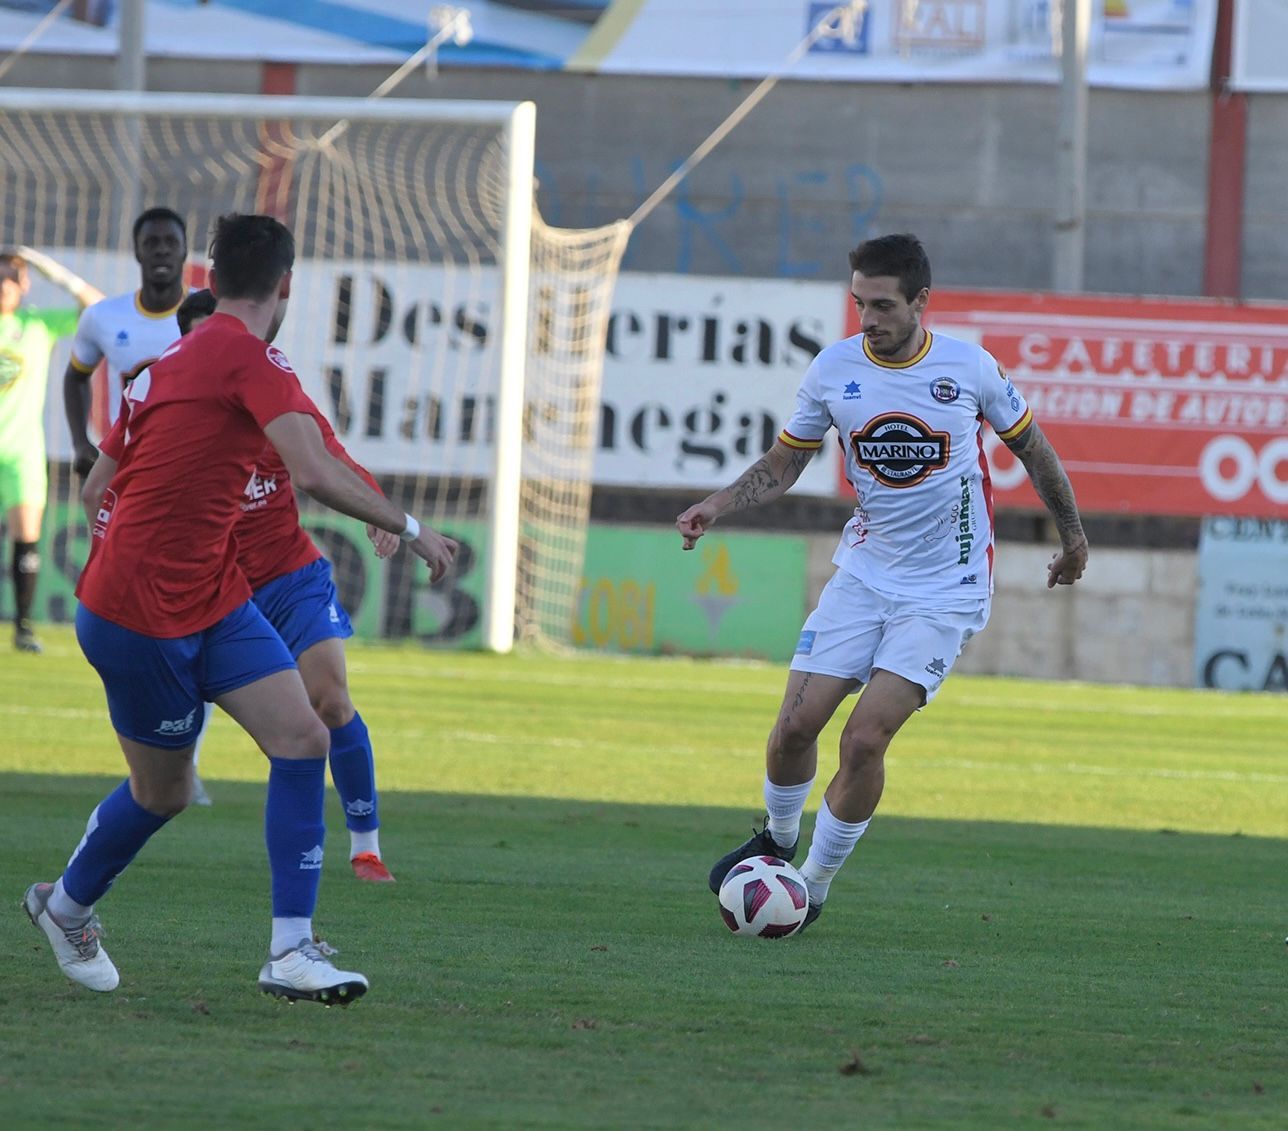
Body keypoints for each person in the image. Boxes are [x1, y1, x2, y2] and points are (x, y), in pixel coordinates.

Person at [24, 213, 457, 1004]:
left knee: (302, 734)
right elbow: (315, 470)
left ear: (208, 279)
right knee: (165, 791)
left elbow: (94, 489)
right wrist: (414, 528)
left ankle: (291, 951)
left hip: (210, 594)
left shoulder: (164, 363)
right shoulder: (250, 361)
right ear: (286, 285)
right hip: (142, 616)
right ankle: (66, 906)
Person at [682, 233, 1089, 933]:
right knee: (792, 729)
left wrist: (1073, 536)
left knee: (864, 740)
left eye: (882, 305)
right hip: (864, 576)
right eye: (858, 303)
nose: (867, 318)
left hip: (947, 588)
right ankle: (778, 840)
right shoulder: (834, 370)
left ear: (920, 302)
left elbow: (1035, 448)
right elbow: (785, 463)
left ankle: (811, 886)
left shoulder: (969, 368)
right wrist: (716, 504)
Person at [89, 286, 399, 882]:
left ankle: (365, 845)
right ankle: (80, 890)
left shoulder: (271, 394)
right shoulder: (172, 413)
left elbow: (329, 458)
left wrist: (381, 513)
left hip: (290, 576)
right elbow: (104, 490)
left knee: (329, 701)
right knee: (173, 775)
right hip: (216, 593)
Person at [0, 248, 102, 653]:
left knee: (26, 538)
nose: (4, 284)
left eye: (12, 276)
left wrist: (54, 273)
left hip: (22, 450)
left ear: (24, 284)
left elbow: (96, 308)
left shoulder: (37, 324)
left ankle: (23, 628)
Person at [63, 206, 189, 480]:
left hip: (192, 462)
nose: (162, 250)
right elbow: (75, 378)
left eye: (171, 242)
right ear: (137, 252)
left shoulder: (209, 311)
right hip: (127, 463)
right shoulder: (102, 316)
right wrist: (80, 442)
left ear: (185, 251)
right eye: (151, 242)